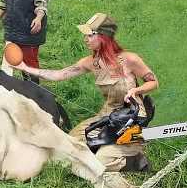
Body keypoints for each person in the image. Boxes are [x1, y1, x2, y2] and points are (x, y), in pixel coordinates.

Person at [12, 13, 159, 172]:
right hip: (108, 114)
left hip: (131, 116)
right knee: (69, 146)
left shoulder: (129, 59)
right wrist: (26, 68)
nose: (85, 39)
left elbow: (153, 82)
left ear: (104, 37)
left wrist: (136, 90)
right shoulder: (90, 62)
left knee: (99, 163)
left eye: (90, 35)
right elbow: (60, 74)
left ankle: (135, 160)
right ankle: (106, 147)